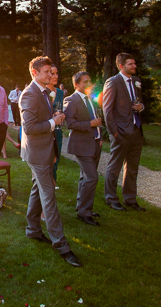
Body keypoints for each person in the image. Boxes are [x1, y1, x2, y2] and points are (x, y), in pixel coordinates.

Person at [19, 56, 81, 267]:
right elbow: (29, 128)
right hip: (36, 154)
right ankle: (62, 246)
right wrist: (52, 122)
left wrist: (53, 119)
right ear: (35, 72)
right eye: (46, 71)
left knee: (37, 189)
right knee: (49, 196)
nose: (51, 74)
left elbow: (43, 121)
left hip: (45, 151)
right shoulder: (29, 94)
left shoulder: (44, 92)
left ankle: (33, 230)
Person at [102, 52, 146, 212]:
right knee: (114, 167)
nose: (134, 66)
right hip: (120, 132)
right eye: (131, 64)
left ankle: (130, 199)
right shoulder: (113, 82)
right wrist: (114, 133)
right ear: (121, 66)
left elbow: (138, 103)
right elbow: (107, 111)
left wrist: (141, 107)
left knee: (133, 168)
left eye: (134, 63)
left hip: (136, 130)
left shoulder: (136, 81)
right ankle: (111, 198)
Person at [63, 71, 103, 226]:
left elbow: (96, 119)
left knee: (85, 177)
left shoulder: (90, 99)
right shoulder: (71, 100)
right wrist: (90, 125)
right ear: (76, 84)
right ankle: (84, 213)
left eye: (89, 81)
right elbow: (70, 124)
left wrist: (99, 138)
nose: (88, 84)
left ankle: (83, 207)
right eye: (85, 82)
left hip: (94, 143)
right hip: (81, 145)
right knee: (92, 177)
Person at [46, 65, 65, 182]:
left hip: (58, 129)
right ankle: (48, 182)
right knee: (48, 159)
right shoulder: (42, 92)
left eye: (57, 73)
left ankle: (54, 179)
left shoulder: (60, 93)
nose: (55, 76)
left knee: (56, 157)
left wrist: (62, 115)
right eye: (52, 73)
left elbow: (61, 108)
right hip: (46, 129)